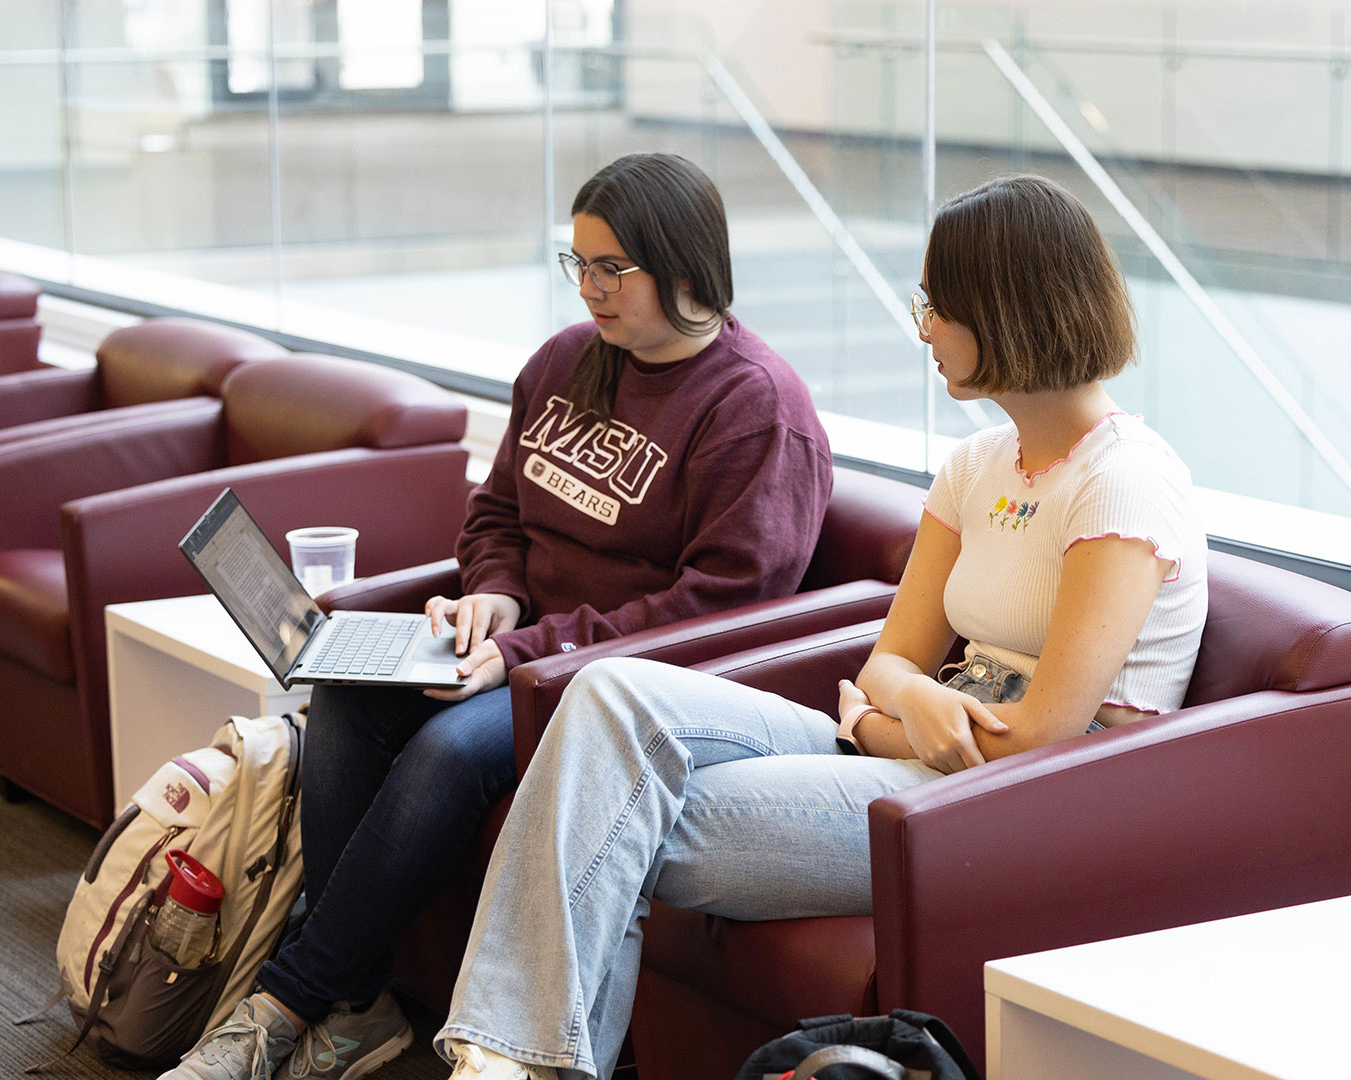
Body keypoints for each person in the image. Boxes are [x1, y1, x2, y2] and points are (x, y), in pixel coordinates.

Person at [429, 173, 1211, 1080]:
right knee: (607, 696)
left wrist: (892, 712)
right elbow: (890, 664)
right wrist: (904, 707)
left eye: (938, 306)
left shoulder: (1123, 485)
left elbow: (1042, 737)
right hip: (915, 750)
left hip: (1008, 811)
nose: (922, 328)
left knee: (601, 812)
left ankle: (499, 1065)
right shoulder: (977, 465)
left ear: (1006, 311)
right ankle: (511, 1063)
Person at [160, 152, 833, 1080]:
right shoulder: (568, 361)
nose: (589, 290)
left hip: (615, 692)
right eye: (578, 263)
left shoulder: (756, 410)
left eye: (611, 269)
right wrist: (494, 594)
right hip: (514, 645)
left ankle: (285, 1006)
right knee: (348, 697)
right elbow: (497, 511)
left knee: (446, 749)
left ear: (684, 270)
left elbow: (722, 608)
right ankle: (354, 1009)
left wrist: (526, 648)